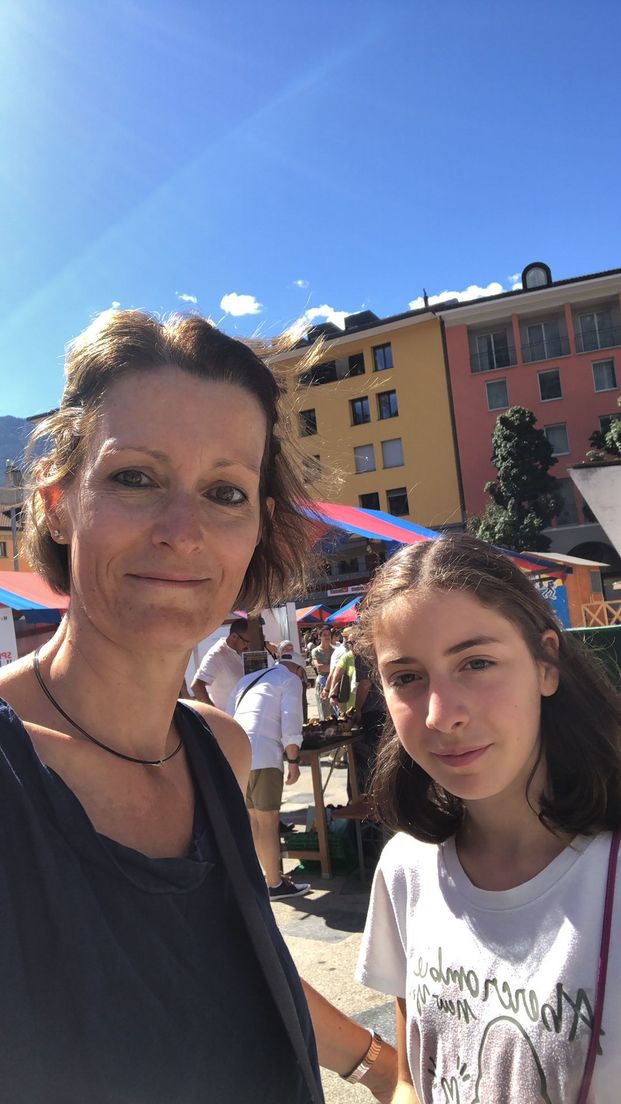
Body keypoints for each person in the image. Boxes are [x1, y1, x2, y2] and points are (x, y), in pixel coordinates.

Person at [0, 309, 397, 1103]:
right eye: (135, 478)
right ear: (57, 502)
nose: (183, 532)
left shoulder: (221, 746)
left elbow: (226, 960)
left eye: (224, 492)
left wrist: (376, 1063)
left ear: (257, 530)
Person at [354, 534, 621, 1104]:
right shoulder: (405, 868)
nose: (441, 715)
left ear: (546, 664)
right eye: (406, 677)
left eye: (476, 663)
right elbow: (411, 1080)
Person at [229, 650, 310, 900]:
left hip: (237, 753)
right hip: (264, 753)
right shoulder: (290, 679)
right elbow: (290, 718)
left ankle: (266, 878)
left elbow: (227, 713)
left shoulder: (248, 680)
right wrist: (293, 759)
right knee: (268, 822)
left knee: (253, 820)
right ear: (299, 670)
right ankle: (275, 884)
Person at [190, 617, 250, 710]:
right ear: (234, 636)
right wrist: (215, 715)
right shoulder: (217, 654)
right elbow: (197, 686)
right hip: (227, 716)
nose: (248, 646)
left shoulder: (240, 650)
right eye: (246, 642)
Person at [311, 626, 335, 720]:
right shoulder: (315, 651)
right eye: (324, 635)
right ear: (319, 636)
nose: (327, 637)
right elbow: (319, 667)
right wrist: (333, 668)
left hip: (334, 682)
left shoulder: (335, 650)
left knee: (335, 712)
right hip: (322, 683)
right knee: (324, 712)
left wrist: (328, 668)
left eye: (329, 634)